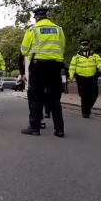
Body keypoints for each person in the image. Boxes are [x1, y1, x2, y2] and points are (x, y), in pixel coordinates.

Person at [20, 7, 66, 137]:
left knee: (36, 96)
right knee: (55, 97)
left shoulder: (32, 29)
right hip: (55, 65)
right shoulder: (58, 29)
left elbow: (24, 50)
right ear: (46, 16)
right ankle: (59, 129)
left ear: (36, 17)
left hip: (38, 66)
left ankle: (34, 128)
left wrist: (32, 54)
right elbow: (62, 47)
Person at [68, 39, 101, 118]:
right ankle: (85, 112)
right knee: (84, 95)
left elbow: (99, 61)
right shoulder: (76, 57)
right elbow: (72, 66)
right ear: (80, 46)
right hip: (81, 78)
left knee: (94, 95)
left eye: (86, 45)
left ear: (88, 45)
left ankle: (88, 108)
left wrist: (99, 66)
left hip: (92, 77)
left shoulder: (94, 55)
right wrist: (71, 76)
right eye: (83, 45)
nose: (84, 46)